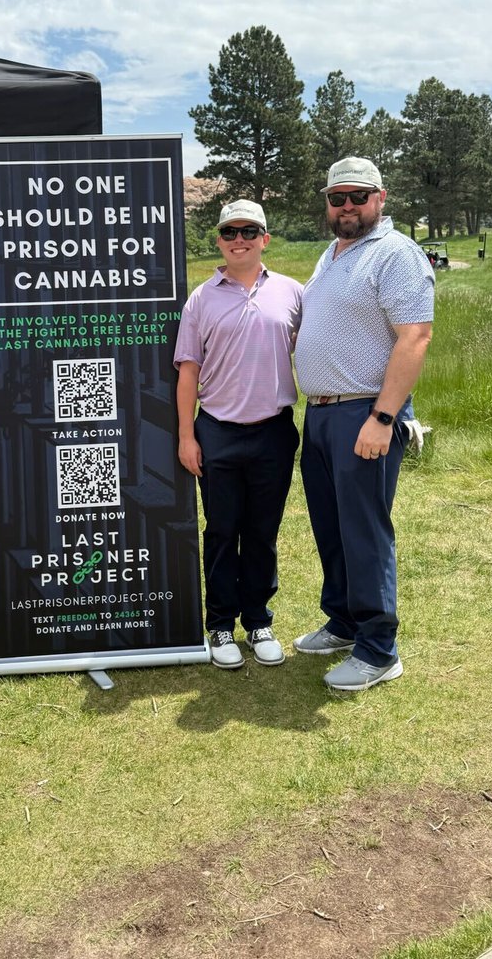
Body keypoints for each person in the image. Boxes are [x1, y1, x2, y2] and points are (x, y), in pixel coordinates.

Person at [293, 158, 434, 692]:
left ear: (381, 197)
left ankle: (379, 649)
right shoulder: (331, 255)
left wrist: (383, 417)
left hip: (365, 411)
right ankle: (345, 622)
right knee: (331, 526)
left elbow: (414, 337)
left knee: (364, 530)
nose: (346, 205)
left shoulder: (395, 254)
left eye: (357, 195)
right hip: (323, 412)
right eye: (336, 197)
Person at [174, 199, 303, 669]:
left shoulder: (292, 292)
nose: (240, 239)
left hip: (273, 431)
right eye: (230, 232)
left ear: (265, 239)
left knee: (263, 532)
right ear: (219, 241)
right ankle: (221, 625)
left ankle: (259, 620)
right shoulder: (201, 299)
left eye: (250, 231)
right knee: (223, 531)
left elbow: (311, 350)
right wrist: (187, 437)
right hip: (218, 432)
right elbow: (188, 373)